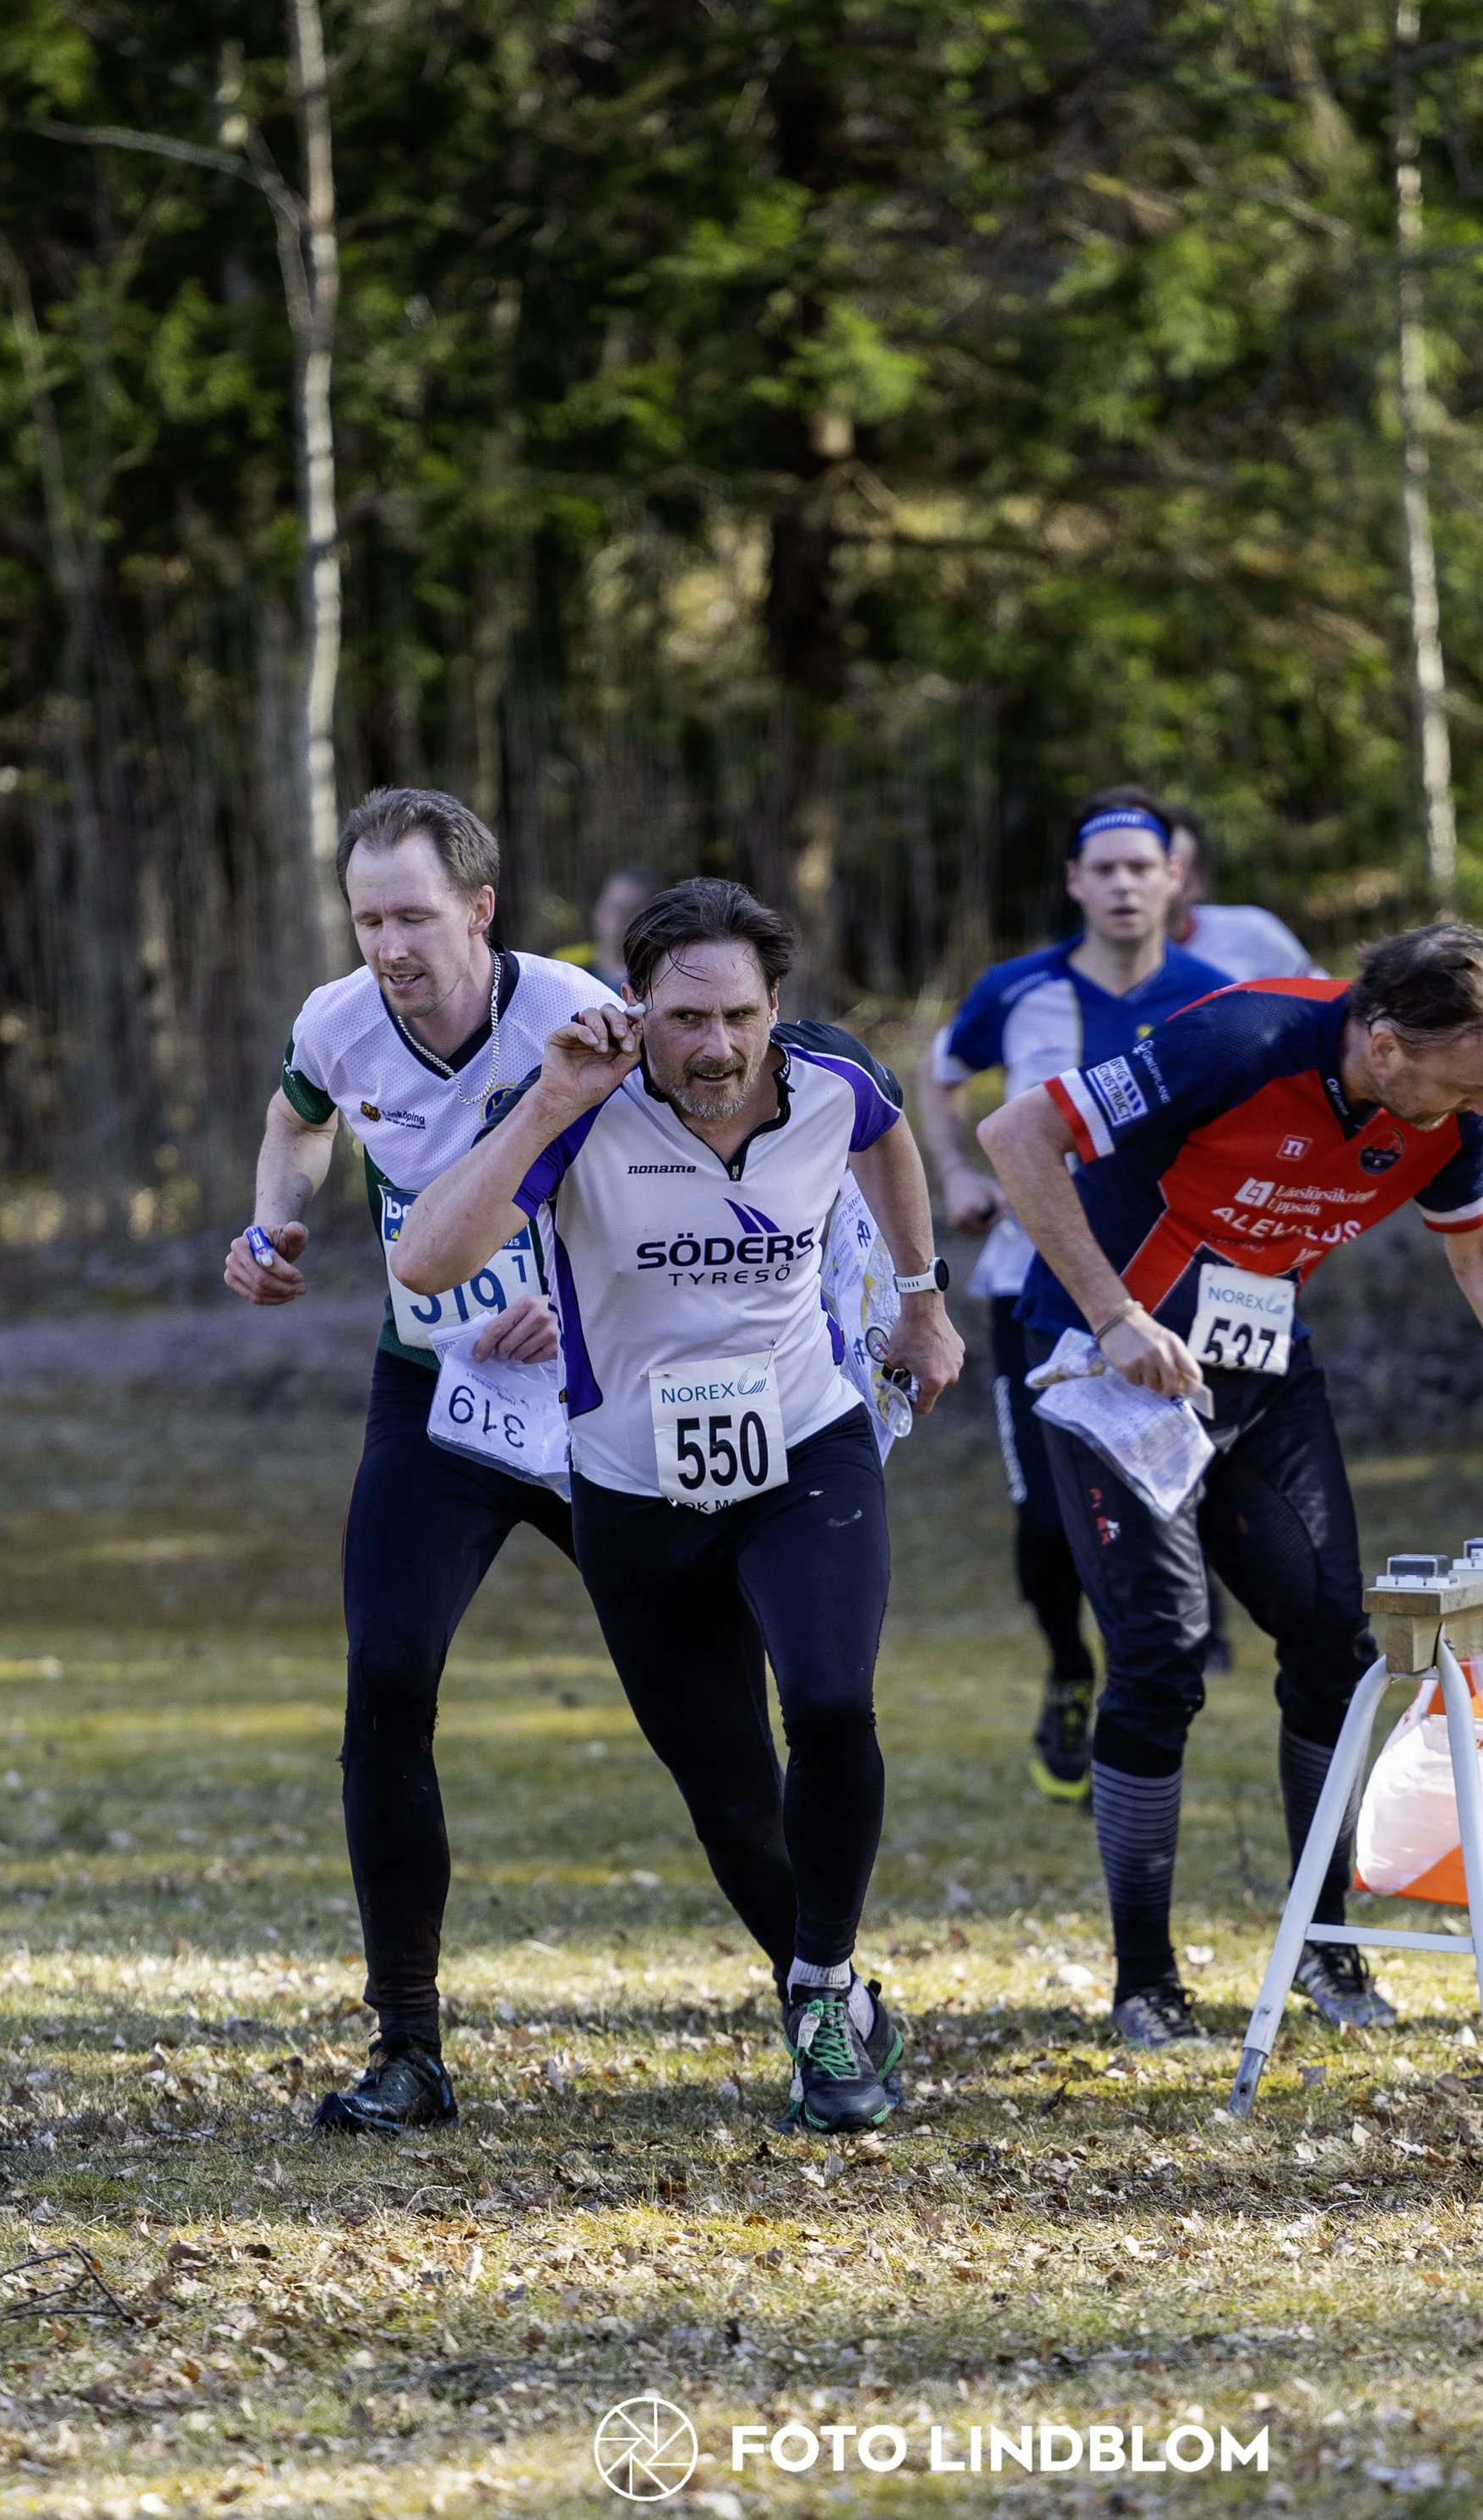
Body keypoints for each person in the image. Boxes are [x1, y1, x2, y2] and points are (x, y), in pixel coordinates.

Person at [979, 924, 1483, 2046]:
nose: (1476, 1111)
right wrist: (1113, 1314)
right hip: (1109, 1370)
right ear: (1386, 1047)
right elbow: (1015, 1134)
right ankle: (1145, 1980)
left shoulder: (1453, 1107)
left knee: (1334, 1641)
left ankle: (1326, 1945)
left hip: (1258, 1368)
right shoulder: (1245, 1039)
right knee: (1159, 1660)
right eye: (1464, 1085)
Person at [393, 877, 968, 2131]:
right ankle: (842, 1991)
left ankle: (816, 1992)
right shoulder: (576, 1111)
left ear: (778, 1010)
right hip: (634, 1490)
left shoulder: (833, 1080)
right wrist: (553, 1098)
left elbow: (887, 1137)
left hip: (805, 1447)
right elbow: (425, 1258)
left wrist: (922, 1298)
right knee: (729, 1793)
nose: (715, 1048)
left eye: (741, 1017)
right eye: (685, 1017)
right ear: (635, 1006)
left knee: (830, 1699)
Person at [223, 787, 622, 2134]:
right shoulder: (338, 1021)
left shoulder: (571, 1008)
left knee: (710, 1692)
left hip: (586, 1393)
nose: (388, 944)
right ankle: (410, 2045)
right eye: (367, 917)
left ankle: (820, 1995)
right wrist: (274, 1229)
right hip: (435, 1393)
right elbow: (297, 1121)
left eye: (412, 915)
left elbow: (660, 1182)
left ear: (481, 909)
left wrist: (574, 1306)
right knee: (385, 1678)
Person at [917, 791, 1230, 1801]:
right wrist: (957, 1173)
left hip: (1172, 1292)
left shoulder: (1214, 994)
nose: (1126, 884)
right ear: (1074, 883)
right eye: (1106, 869)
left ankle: (1149, 1687)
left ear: (1174, 878)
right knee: (1050, 1519)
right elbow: (942, 1076)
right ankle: (1067, 1670)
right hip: (1033, 1295)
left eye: (1145, 866)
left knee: (1174, 1487)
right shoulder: (1017, 989)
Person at [1163, 805, 1323, 983]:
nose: (1127, 884)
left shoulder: (1253, 930)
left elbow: (1325, 1000)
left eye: (1172, 870)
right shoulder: (1128, 972)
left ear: (1196, 883)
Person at [583, 865, 659, 994]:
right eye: (614, 908)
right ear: (597, 910)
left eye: (632, 911)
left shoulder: (660, 977)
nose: (620, 919)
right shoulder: (565, 967)